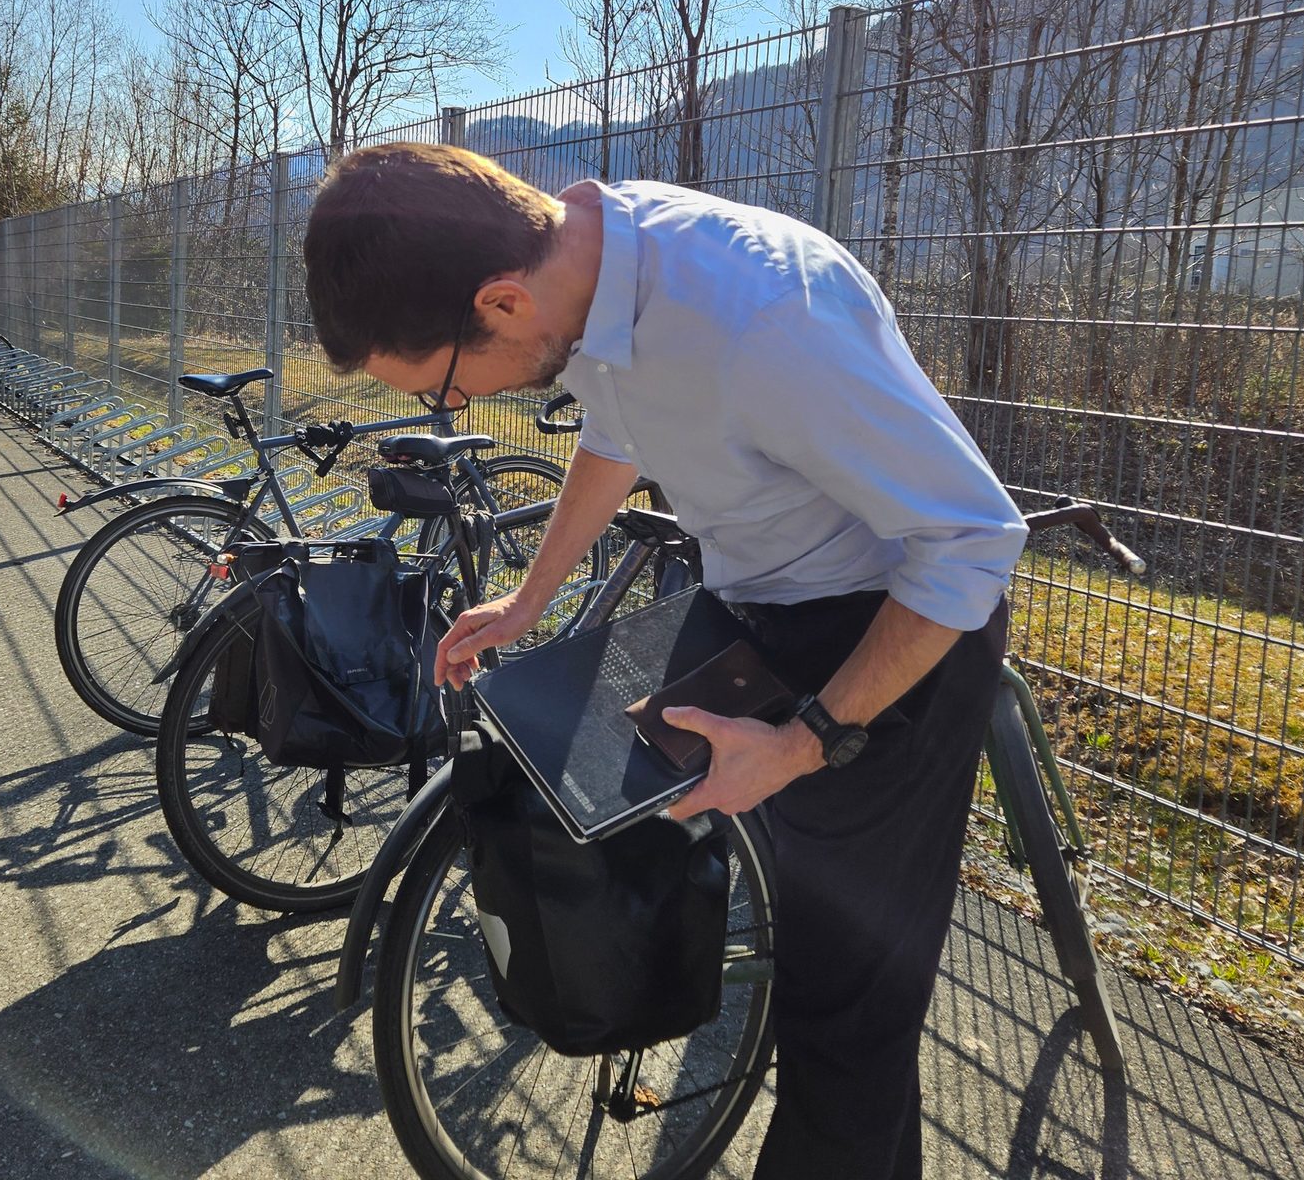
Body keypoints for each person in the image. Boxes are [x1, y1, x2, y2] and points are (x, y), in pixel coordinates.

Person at [303, 141, 1027, 1179]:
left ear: (502, 303)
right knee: (575, 771)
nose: (452, 414)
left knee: (845, 1018)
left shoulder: (765, 315)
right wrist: (529, 598)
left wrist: (802, 743)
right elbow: (617, 429)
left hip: (891, 634)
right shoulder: (586, 272)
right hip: (755, 599)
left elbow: (973, 541)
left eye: (444, 392)